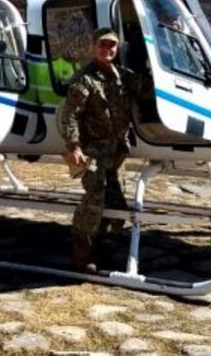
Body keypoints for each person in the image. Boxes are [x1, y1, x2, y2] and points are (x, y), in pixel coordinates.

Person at [58, 27, 144, 272]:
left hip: (117, 153)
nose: (108, 49)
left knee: (117, 205)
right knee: (94, 201)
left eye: (112, 46)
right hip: (93, 152)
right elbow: (70, 114)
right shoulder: (84, 79)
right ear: (93, 47)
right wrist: (73, 145)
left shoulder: (122, 75)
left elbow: (146, 87)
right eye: (103, 45)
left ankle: (106, 249)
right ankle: (82, 254)